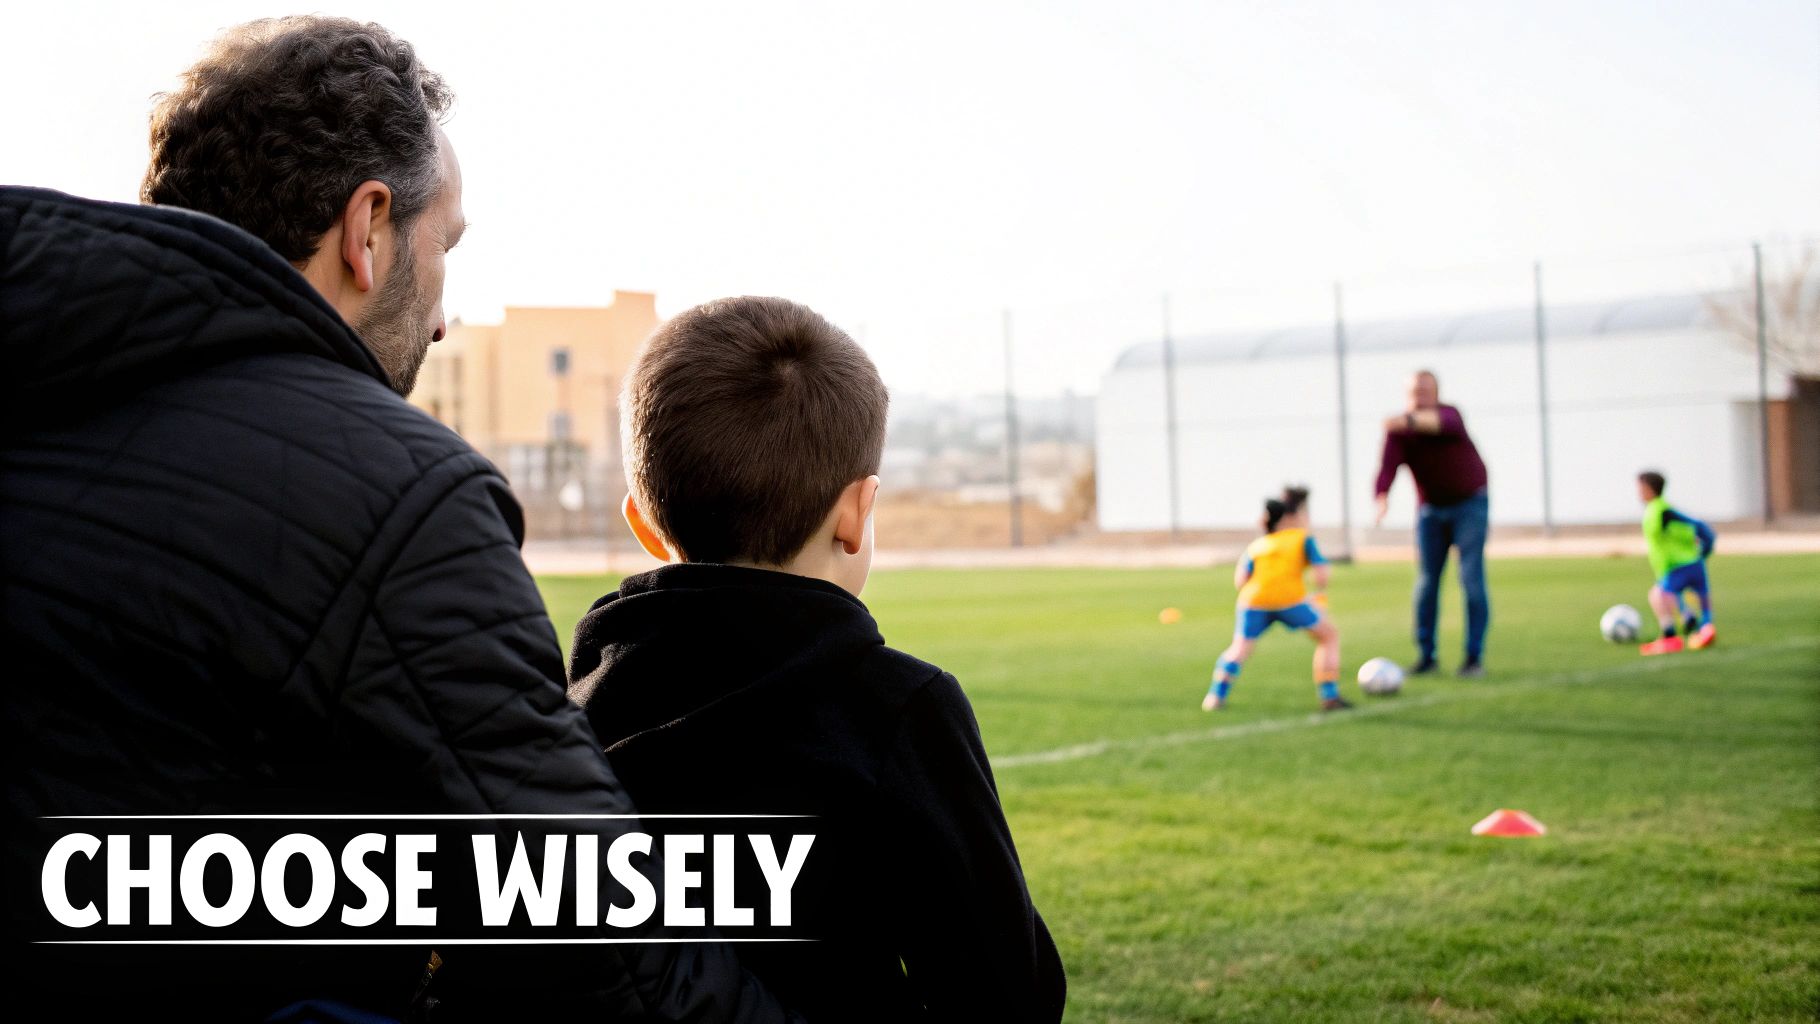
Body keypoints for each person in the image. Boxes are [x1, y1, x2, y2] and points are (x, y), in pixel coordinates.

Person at [1, 17, 798, 1022]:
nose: (440, 316)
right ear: (367, 228)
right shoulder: (398, 501)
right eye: (444, 244)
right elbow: (595, 944)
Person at [567, 296, 1067, 1022]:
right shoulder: (899, 708)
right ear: (858, 513)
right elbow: (1006, 993)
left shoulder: (576, 704)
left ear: (643, 523)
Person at [1373, 370, 1491, 678]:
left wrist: (1405, 421)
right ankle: (1427, 656)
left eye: (1426, 390)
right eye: (1415, 391)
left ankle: (1473, 657)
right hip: (1430, 511)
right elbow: (1387, 467)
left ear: (1436, 393)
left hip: (1470, 505)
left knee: (1471, 578)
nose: (1420, 395)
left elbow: (1441, 424)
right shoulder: (1399, 431)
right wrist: (1381, 496)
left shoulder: (1450, 415)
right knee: (1426, 583)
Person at [1202, 487, 1350, 713]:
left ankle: (1214, 696)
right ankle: (1329, 696)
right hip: (1290, 600)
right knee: (1328, 637)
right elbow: (1321, 574)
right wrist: (1317, 595)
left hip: (1253, 601)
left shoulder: (1257, 546)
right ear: (1288, 518)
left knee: (1240, 648)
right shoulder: (1301, 538)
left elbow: (1240, 580)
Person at [1635, 470, 1718, 655]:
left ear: (1649, 488)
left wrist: (1707, 545)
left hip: (1678, 566)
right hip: (1693, 563)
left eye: (1640, 487)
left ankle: (1670, 638)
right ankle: (1701, 626)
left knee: (1658, 595)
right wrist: (1703, 551)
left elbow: (1697, 525)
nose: (1638, 492)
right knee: (1698, 597)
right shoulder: (1660, 508)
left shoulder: (1659, 510)